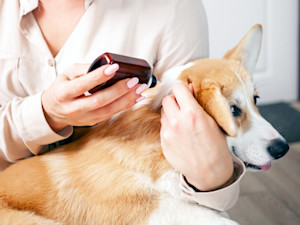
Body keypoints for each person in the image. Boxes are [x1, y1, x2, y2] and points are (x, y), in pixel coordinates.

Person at [0, 0, 245, 211]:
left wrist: (214, 176)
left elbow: (207, 171)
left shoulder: (173, 8)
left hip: (130, 207)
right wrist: (46, 114)